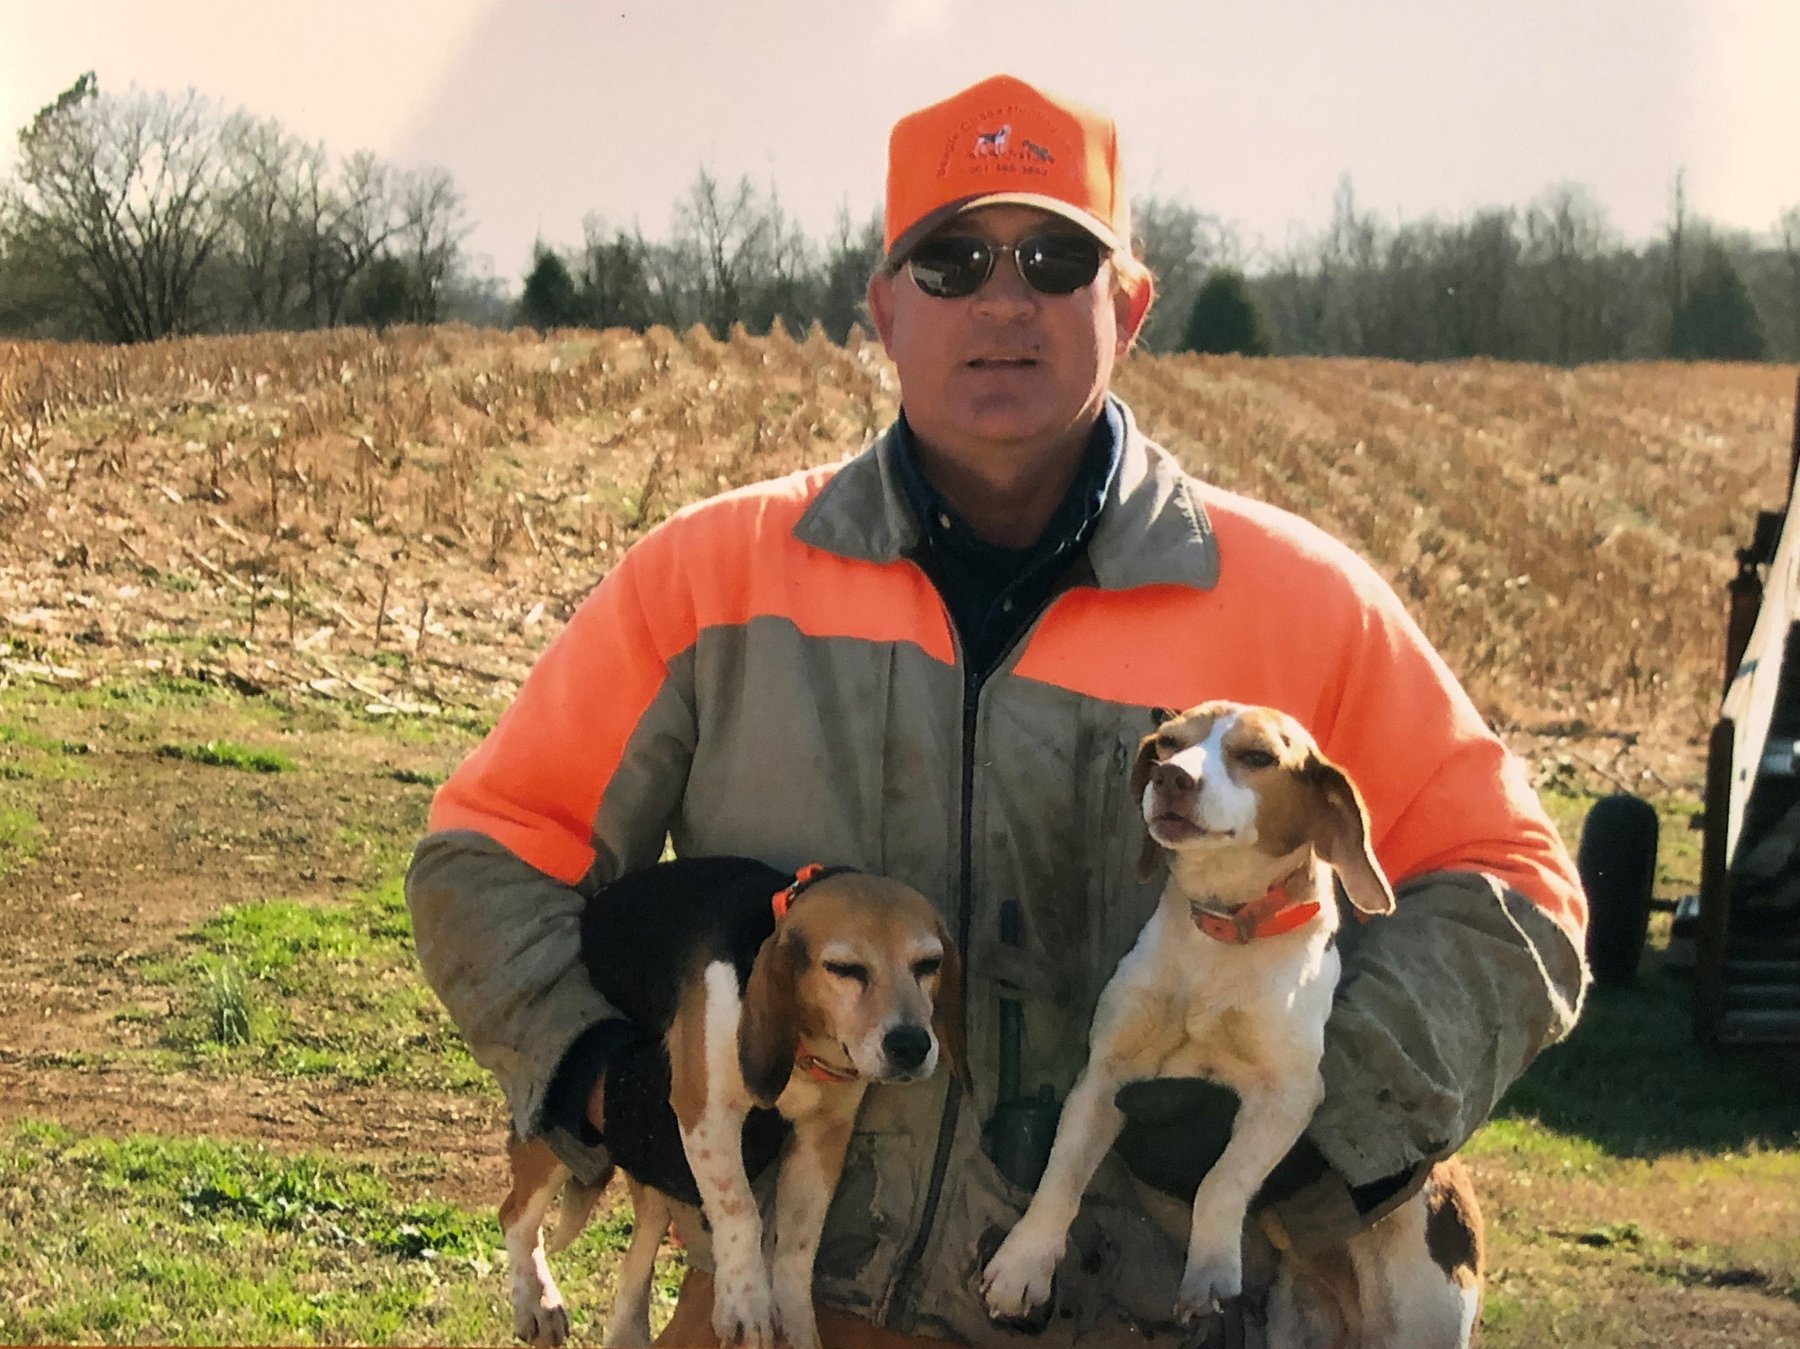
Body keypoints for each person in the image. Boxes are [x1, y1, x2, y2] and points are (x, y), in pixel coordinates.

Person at [407, 73, 1588, 1347]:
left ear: (1125, 304)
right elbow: (486, 858)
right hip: (791, 1305)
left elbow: (1513, 886)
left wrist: (1324, 1121)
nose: (1005, 298)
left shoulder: (1304, 604)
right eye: (953, 257)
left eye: (1056, 256)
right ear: (884, 310)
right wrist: (594, 1083)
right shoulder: (709, 578)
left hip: (1147, 1318)